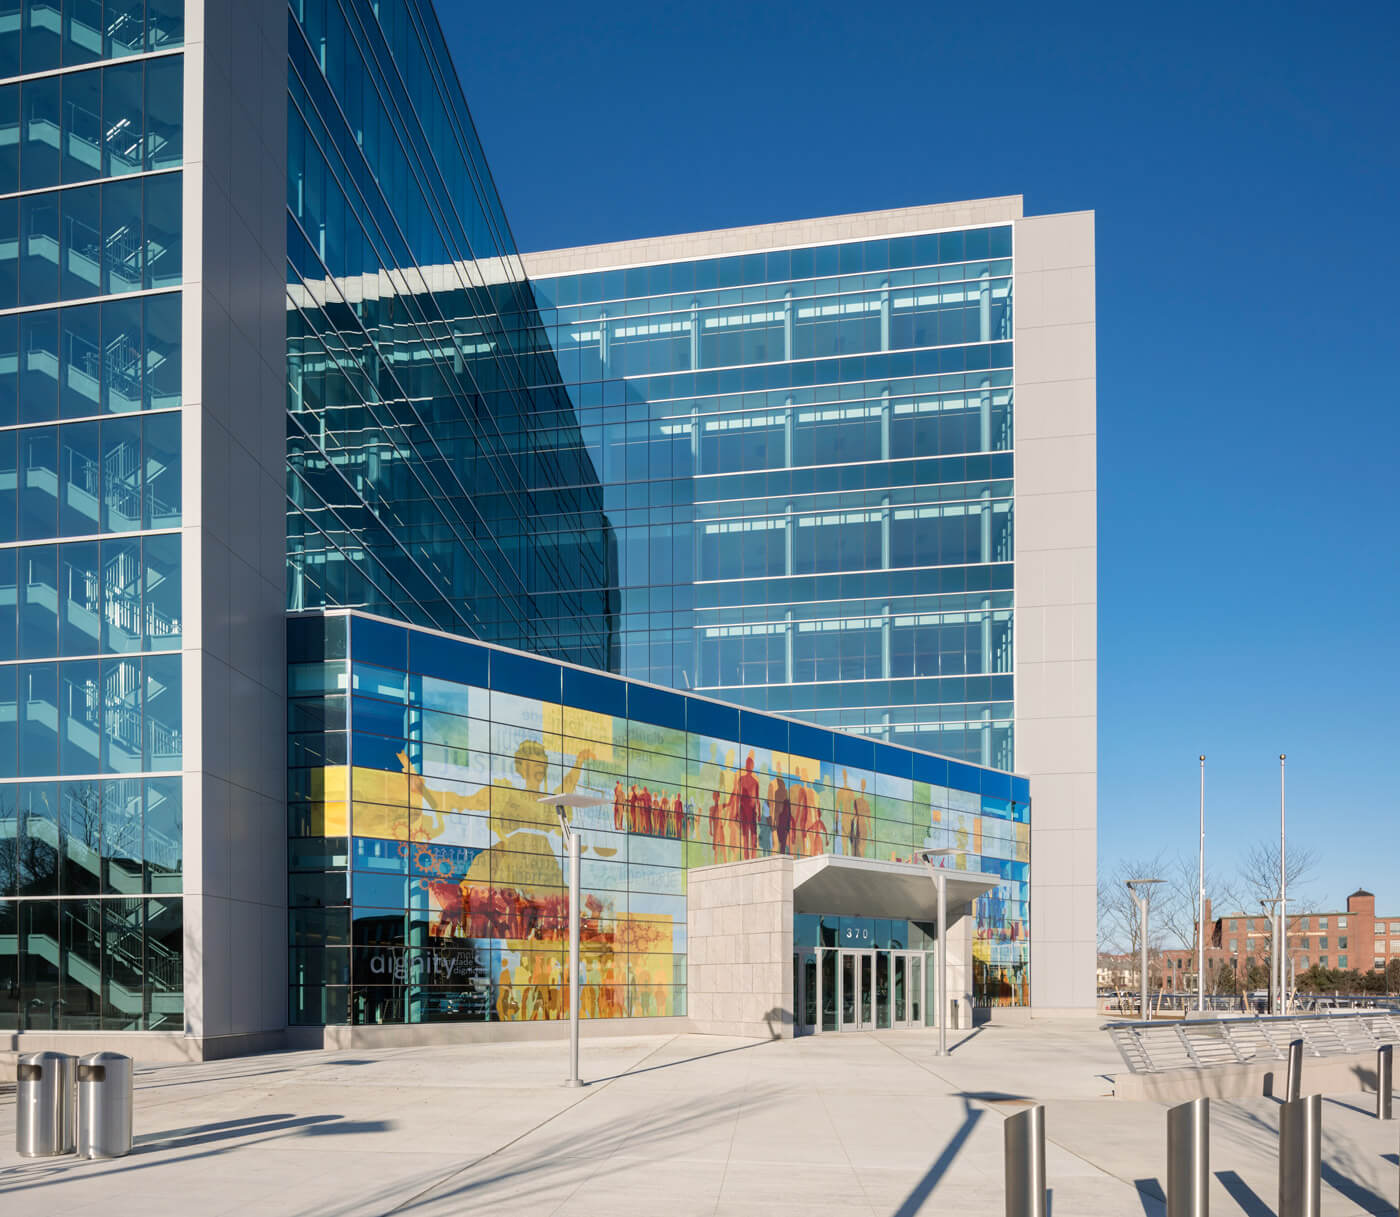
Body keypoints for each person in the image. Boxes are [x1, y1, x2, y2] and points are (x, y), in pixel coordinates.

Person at [731, 752, 761, 858]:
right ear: (746, 766)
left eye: (751, 764)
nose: (749, 766)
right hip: (743, 809)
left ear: (752, 767)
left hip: (752, 811)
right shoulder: (741, 779)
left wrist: (760, 813)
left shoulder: (755, 782)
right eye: (748, 764)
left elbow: (758, 799)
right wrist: (736, 812)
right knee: (745, 836)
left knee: (753, 836)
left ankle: (753, 857)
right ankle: (746, 858)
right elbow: (738, 797)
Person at [770, 772, 791, 854]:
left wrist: (774, 820)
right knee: (782, 841)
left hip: (782, 820)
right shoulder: (781, 793)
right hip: (782, 820)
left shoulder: (781, 793)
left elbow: (777, 808)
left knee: (781, 841)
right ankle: (782, 854)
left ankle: (782, 855)